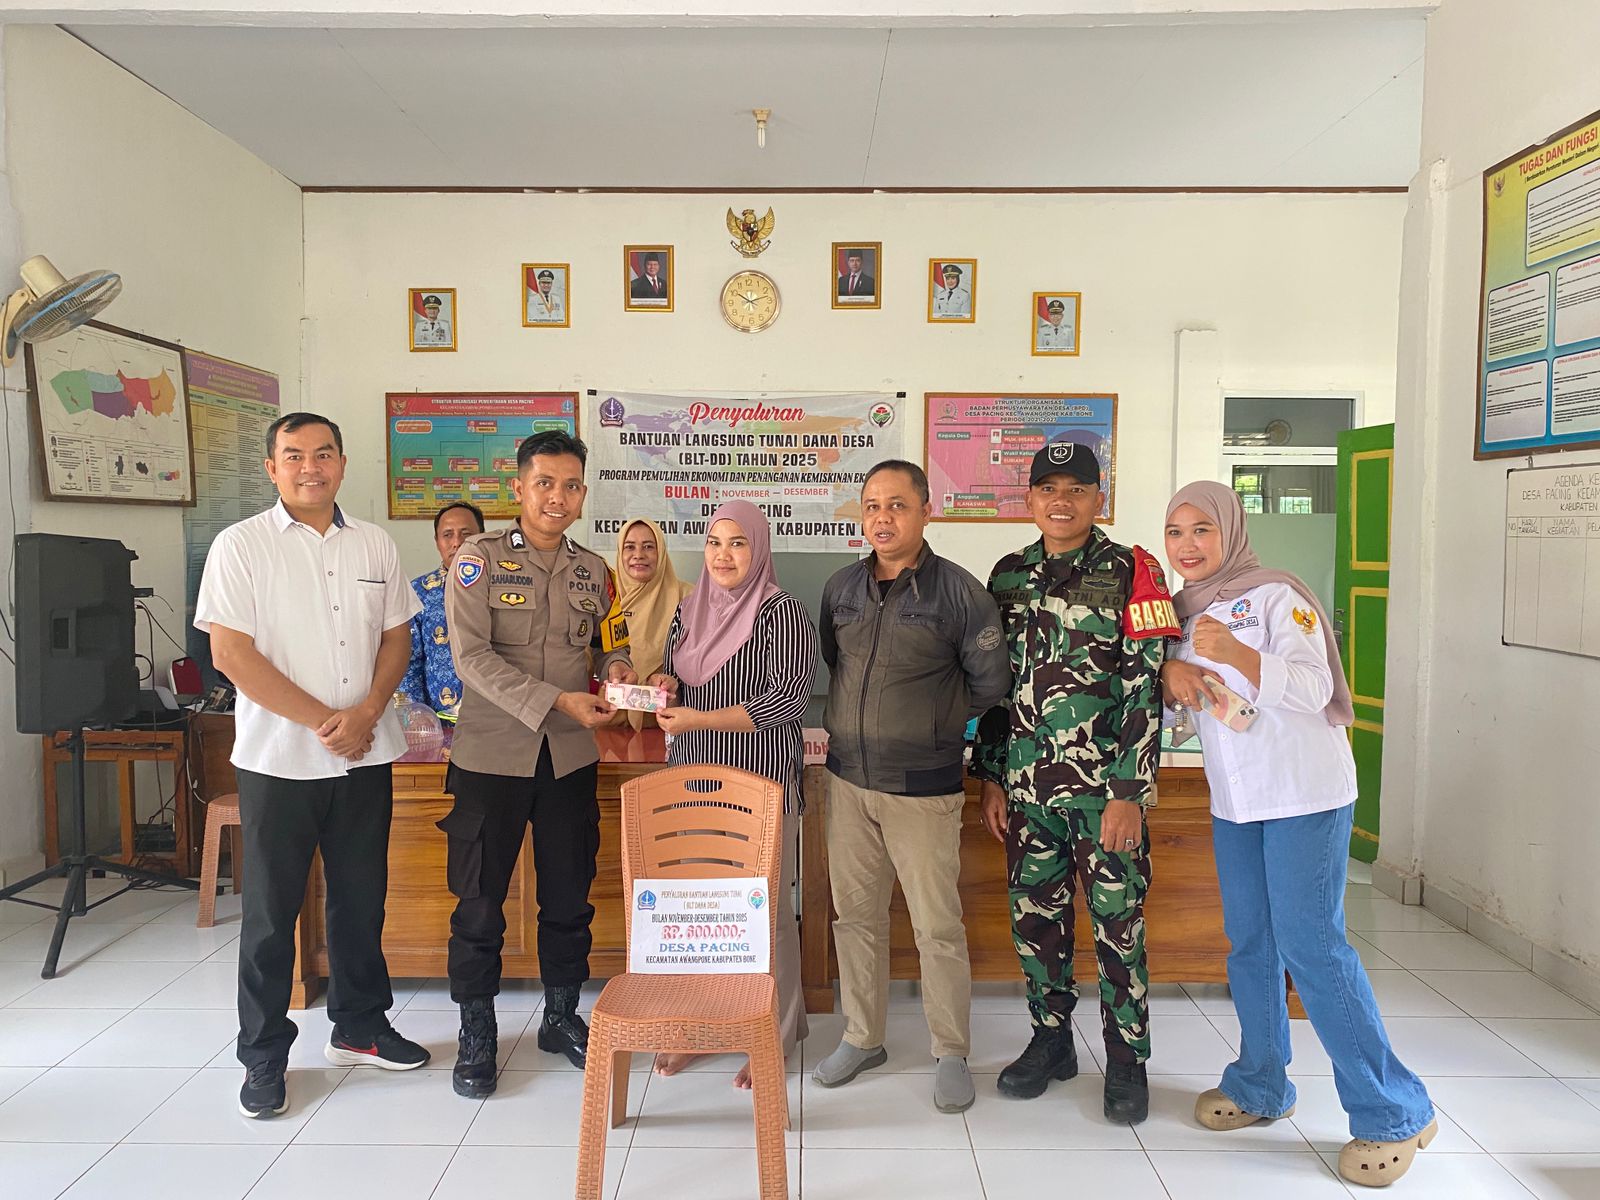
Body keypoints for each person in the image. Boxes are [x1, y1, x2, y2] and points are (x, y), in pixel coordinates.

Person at [1162, 482, 1436, 1188]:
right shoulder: (1179, 615)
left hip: (1304, 794)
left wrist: (1239, 653)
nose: (1188, 545)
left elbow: (1316, 688)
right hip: (1237, 801)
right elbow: (1188, 714)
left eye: (1202, 529)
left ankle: (1394, 1111)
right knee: (1250, 942)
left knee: (1313, 946)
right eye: (1175, 532)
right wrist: (1173, 678)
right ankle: (1260, 1084)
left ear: (1230, 531)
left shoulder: (1279, 596)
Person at [194, 411, 431, 1121]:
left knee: (361, 900)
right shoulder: (240, 545)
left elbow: (396, 638)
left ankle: (359, 1028)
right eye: (294, 455)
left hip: (366, 754)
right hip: (279, 760)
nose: (310, 467)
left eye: (323, 453)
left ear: (342, 463)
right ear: (272, 468)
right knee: (271, 914)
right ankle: (263, 1055)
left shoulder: (374, 543)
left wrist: (367, 712)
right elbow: (231, 654)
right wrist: (325, 721)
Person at [971, 441, 1177, 1124]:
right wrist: (992, 778)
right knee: (1038, 923)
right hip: (1029, 791)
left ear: (1099, 499)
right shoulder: (1007, 576)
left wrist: (1128, 793)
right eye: (1048, 489)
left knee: (1118, 927)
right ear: (1029, 499)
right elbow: (995, 691)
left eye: (1077, 489)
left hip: (1102, 794)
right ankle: (1051, 1042)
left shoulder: (1132, 571)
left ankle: (1127, 1060)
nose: (1061, 501)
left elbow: (1144, 687)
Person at [810, 461, 1011, 1114]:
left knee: (936, 927)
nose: (882, 518)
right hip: (847, 783)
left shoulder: (959, 593)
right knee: (855, 920)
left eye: (897, 505)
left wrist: (933, 722)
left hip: (924, 790)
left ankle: (950, 1051)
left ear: (927, 510)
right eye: (872, 505)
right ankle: (862, 1037)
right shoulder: (841, 588)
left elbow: (990, 683)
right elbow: (835, 662)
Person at [441, 430, 636, 1100]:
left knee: (568, 896)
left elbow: (610, 644)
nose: (558, 497)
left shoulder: (593, 570)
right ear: (519, 487)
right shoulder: (479, 559)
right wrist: (555, 700)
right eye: (545, 483)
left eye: (571, 485)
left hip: (570, 759)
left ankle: (560, 1017)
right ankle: (476, 1030)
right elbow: (471, 658)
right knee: (479, 902)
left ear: (583, 493)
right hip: (491, 755)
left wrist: (620, 673)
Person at [648, 500, 817, 1089]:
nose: (724, 555)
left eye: (738, 542)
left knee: (762, 913)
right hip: (692, 782)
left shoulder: (780, 611)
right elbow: (674, 676)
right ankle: (703, 1029)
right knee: (701, 913)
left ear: (759, 548)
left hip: (759, 783)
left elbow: (788, 700)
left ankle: (775, 1033)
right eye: (715, 542)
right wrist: (664, 684)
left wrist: (701, 719)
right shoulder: (688, 608)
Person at [401, 501, 485, 717]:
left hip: (497, 719)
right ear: (437, 542)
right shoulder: (419, 591)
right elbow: (408, 662)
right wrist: (417, 717)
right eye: (448, 535)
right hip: (439, 720)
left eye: (466, 534)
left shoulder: (502, 588)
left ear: (482, 538)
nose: (457, 543)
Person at [610, 518, 692, 729]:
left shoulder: (689, 598)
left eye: (648, 547)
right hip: (608, 722)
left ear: (661, 552)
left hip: (668, 725)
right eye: (630, 547)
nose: (639, 555)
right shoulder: (605, 595)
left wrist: (670, 681)